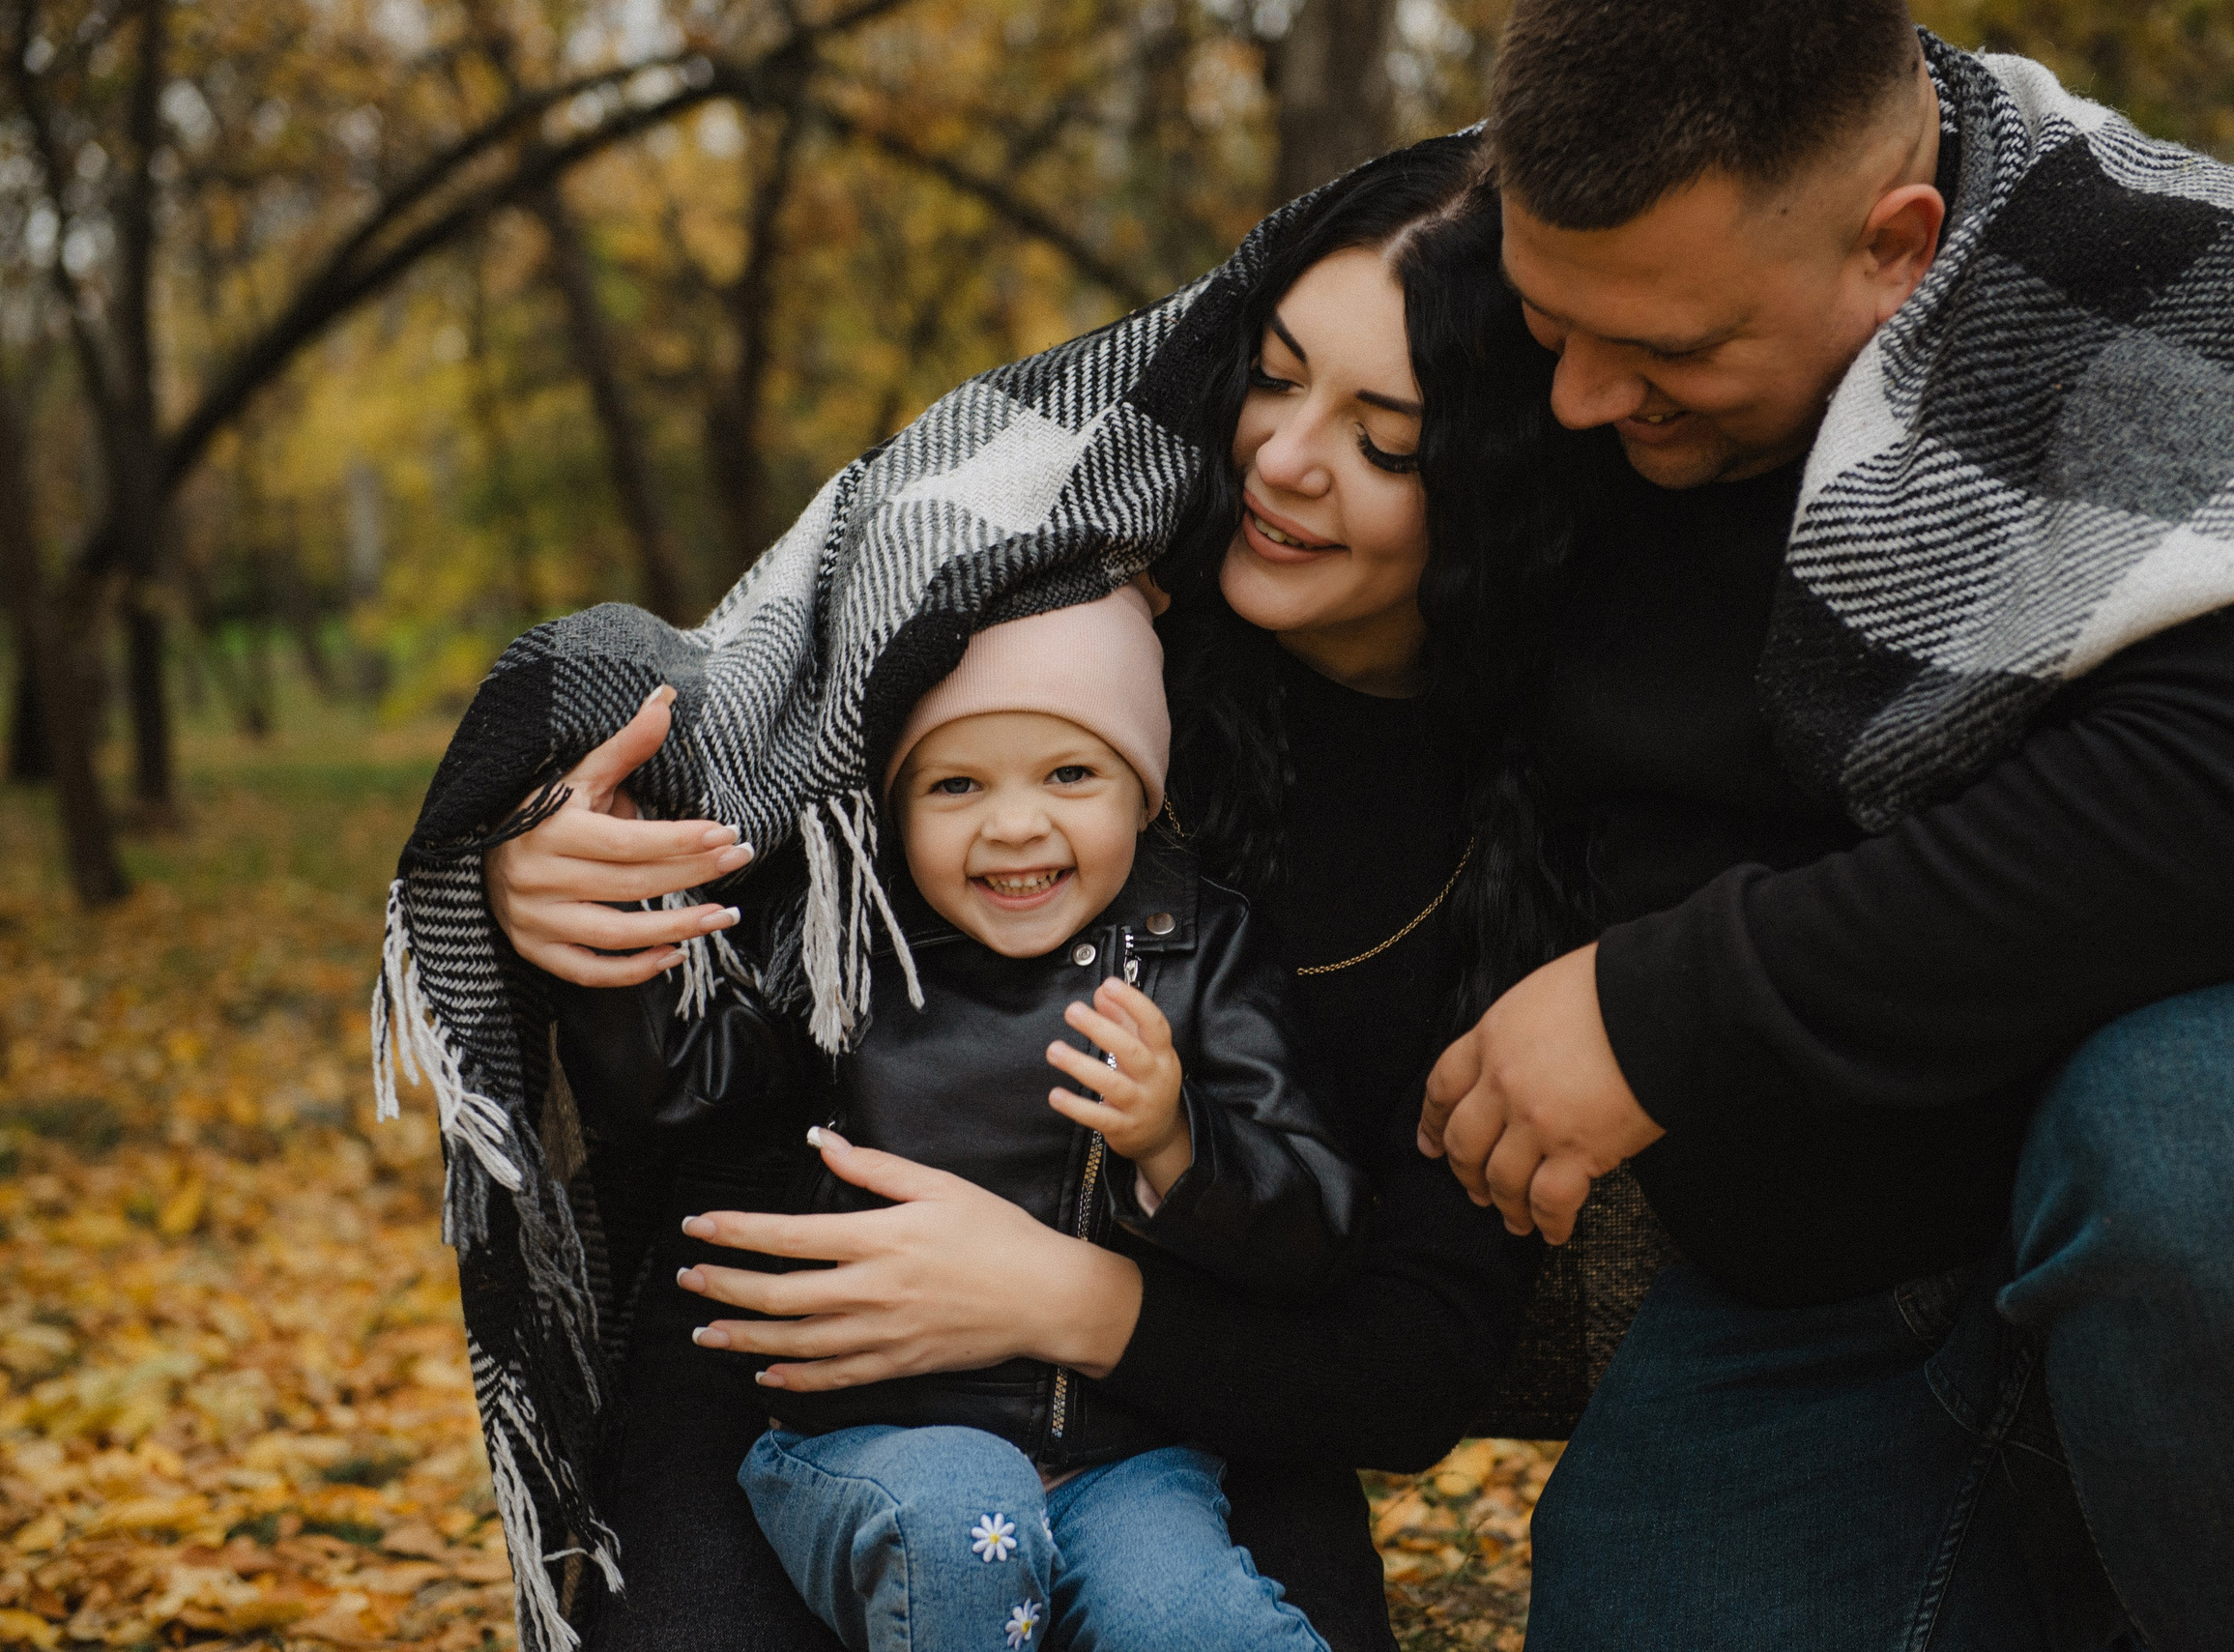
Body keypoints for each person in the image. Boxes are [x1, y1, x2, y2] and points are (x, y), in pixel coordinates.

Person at [1408, 4, 2234, 1650]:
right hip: (1852, 1236)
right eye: (1555, 319)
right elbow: (1108, 442)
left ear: (1894, 247)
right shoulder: (1538, 261)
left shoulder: (2168, 275)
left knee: (2190, 1122)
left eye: (1672, 353)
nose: (1578, 395)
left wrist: (1660, 1008)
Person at [464, 136, 1592, 1651]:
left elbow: (1415, 1353)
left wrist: (1065, 1298)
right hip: (807, 1369)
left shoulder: (1535, 825)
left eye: (1386, 442)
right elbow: (735, 776)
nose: (1280, 459)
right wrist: (558, 874)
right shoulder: (1056, 608)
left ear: (1501, 480)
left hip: (1182, 1414)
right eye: (1270, 374)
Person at [561, 584, 1358, 1651]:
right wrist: (620, 914)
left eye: (1071, 772)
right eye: (956, 782)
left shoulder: (1199, 950)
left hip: (1122, 1458)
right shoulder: (850, 949)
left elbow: (1313, 1217)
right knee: (963, 1509)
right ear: (893, 809)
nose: (1015, 822)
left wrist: (1176, 1139)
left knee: (1195, 1617)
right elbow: (688, 1086)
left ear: (1144, 790)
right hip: (870, 1439)